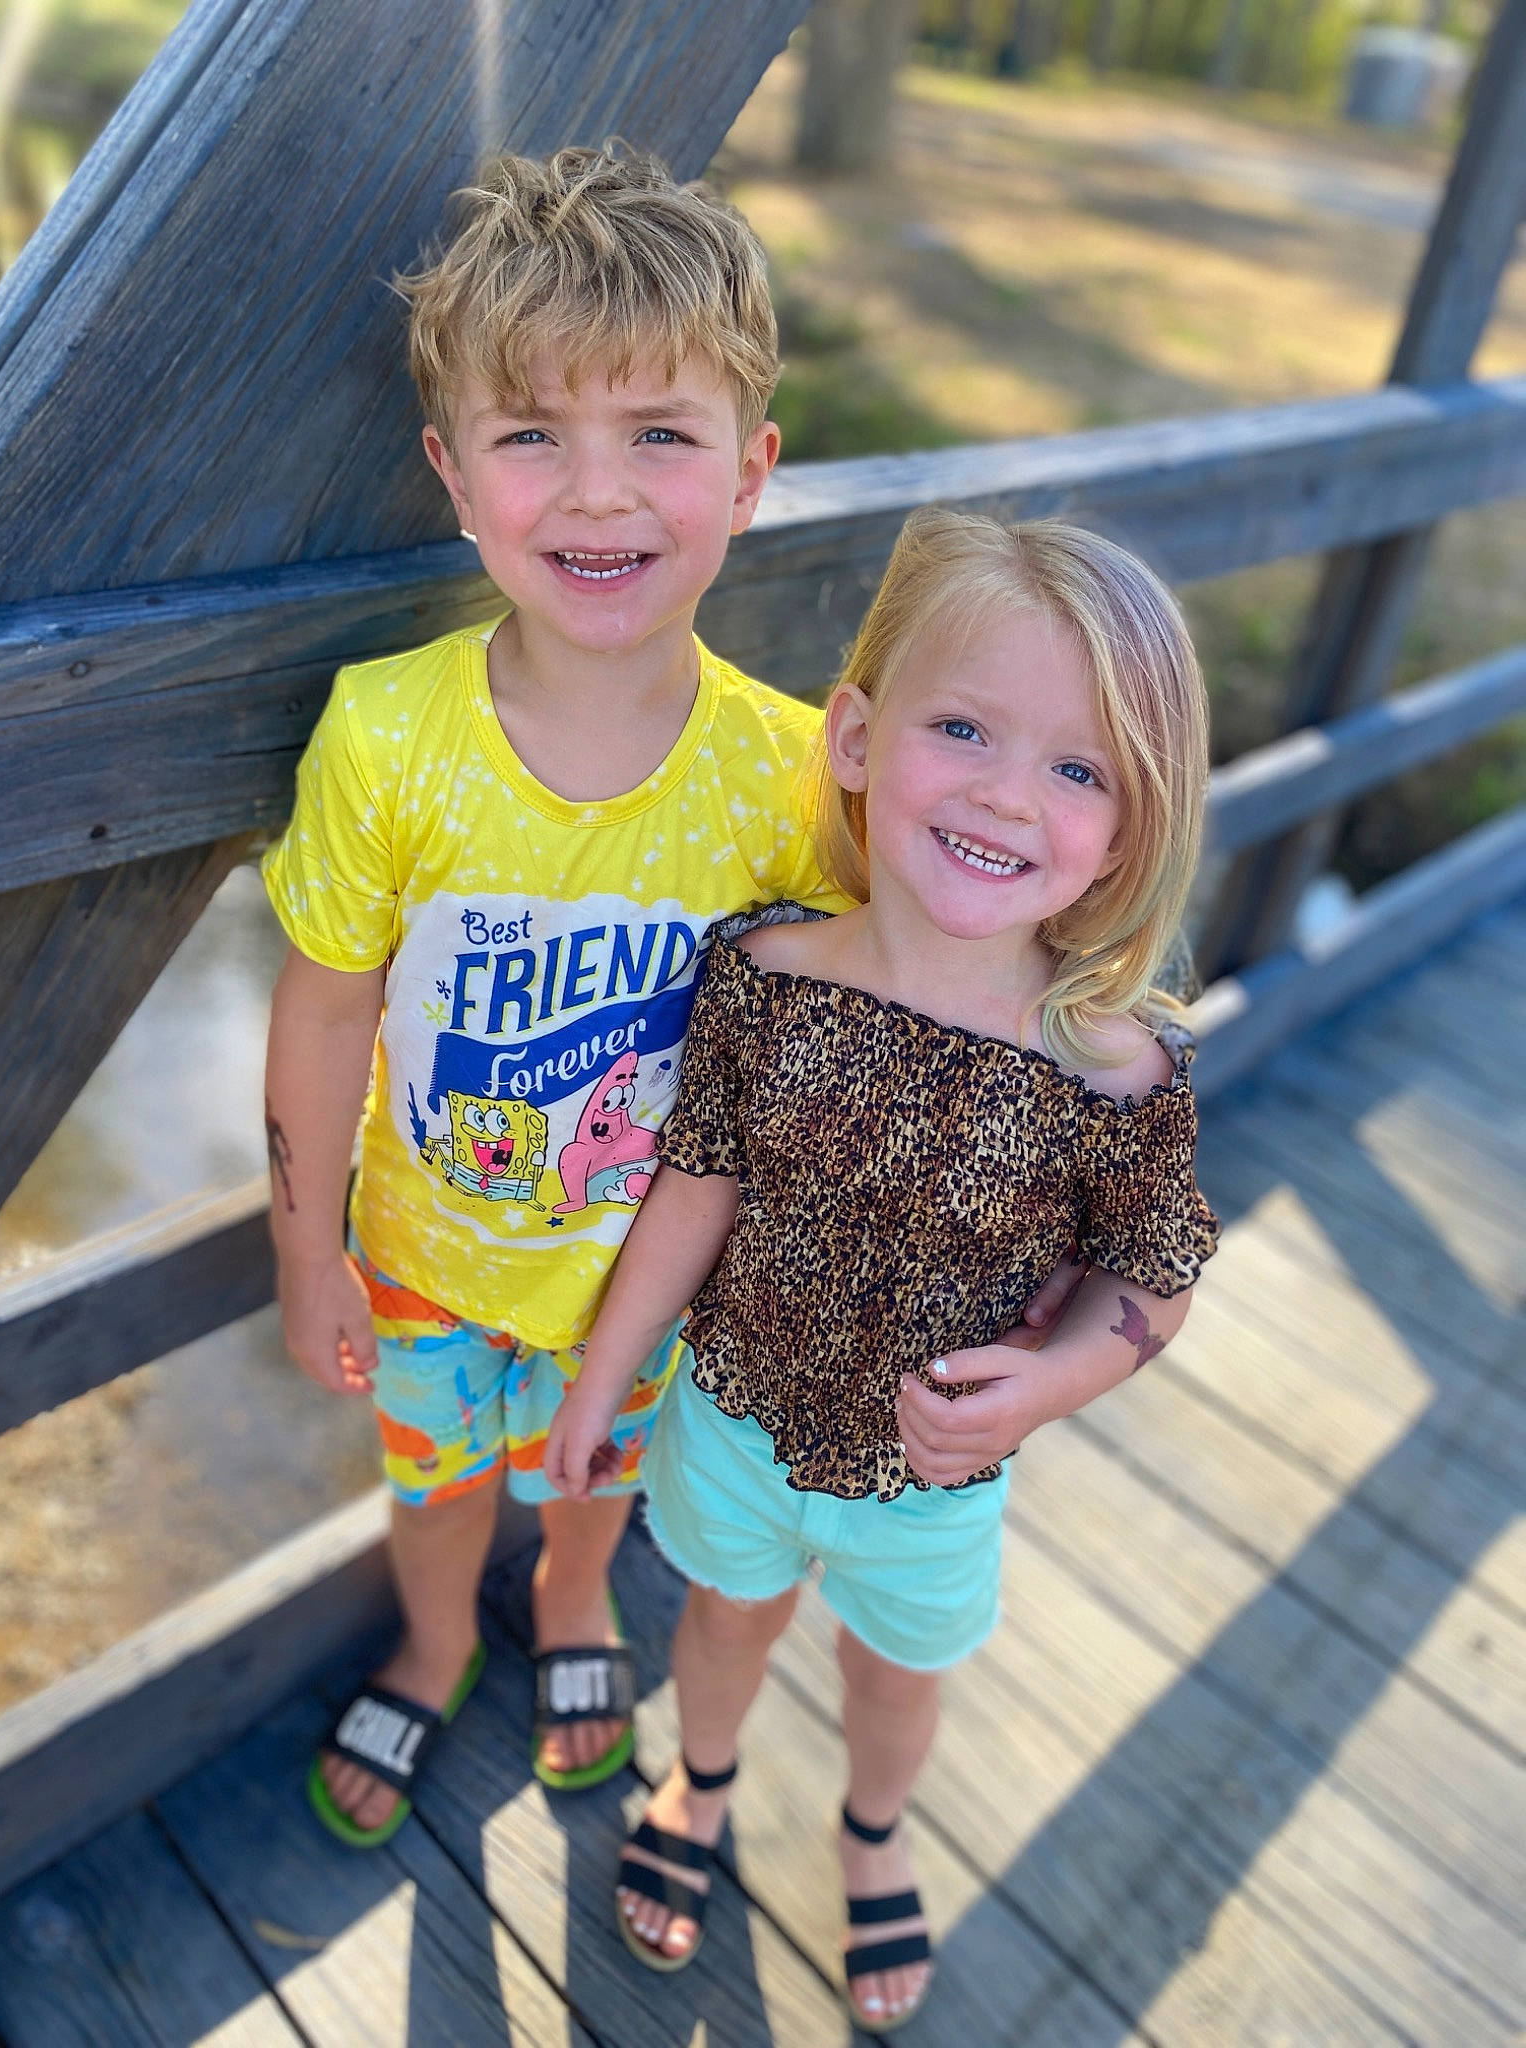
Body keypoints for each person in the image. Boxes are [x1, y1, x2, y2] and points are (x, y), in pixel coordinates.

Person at [546, 508, 1221, 2032]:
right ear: (856, 734)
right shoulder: (768, 974)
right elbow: (692, 1185)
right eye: (964, 727)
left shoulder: (1112, 1072)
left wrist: (1049, 1385)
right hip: (733, 1415)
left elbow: (1153, 1281)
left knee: (897, 1674)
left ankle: (872, 1830)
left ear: (1129, 822)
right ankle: (698, 1785)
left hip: (934, 1479)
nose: (1003, 793)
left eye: (1077, 768)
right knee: (722, 1619)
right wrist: (605, 1376)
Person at [259, 143, 862, 1845]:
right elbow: (321, 1007)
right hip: (430, 1260)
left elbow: (838, 1041)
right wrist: (308, 1252)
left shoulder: (796, 781)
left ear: (751, 471)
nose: (598, 495)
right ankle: (442, 1638)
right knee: (437, 1495)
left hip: (652, 1281)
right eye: (534, 435)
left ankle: (580, 1608)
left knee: (594, 1491)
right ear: (455, 475)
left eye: (658, 435)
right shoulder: (391, 735)